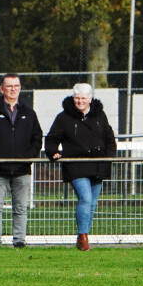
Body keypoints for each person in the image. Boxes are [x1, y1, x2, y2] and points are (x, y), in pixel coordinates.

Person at [44, 83, 116, 251]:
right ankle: (83, 237)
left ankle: (83, 236)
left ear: (90, 99)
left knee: (92, 203)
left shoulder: (100, 116)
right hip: (76, 164)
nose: (80, 101)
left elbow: (109, 137)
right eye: (77, 98)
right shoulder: (63, 117)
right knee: (86, 198)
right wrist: (52, 152)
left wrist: (109, 156)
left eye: (83, 98)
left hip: (98, 164)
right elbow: (52, 138)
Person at [0, 74, 42, 248]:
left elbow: (37, 138)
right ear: (1, 89)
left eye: (16, 86)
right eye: (9, 86)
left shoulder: (29, 113)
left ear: (20, 88)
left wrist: (29, 157)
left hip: (22, 170)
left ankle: (19, 241)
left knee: (20, 208)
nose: (13, 89)